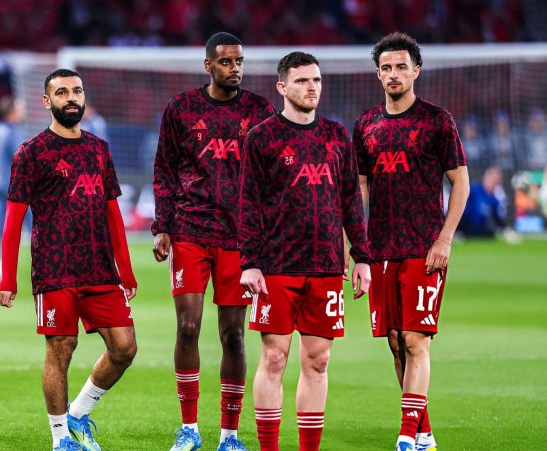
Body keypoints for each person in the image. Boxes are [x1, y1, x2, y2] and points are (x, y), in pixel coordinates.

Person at [0, 69, 138, 451]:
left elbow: (113, 215)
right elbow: (12, 222)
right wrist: (8, 279)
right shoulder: (31, 152)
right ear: (47, 101)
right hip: (55, 270)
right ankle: (61, 438)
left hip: (100, 269)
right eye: (61, 92)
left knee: (125, 348)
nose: (71, 97)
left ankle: (79, 411)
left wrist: (125, 271)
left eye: (77, 91)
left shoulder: (99, 149)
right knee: (61, 349)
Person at [239, 51, 372, 451]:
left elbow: (351, 200)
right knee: (274, 358)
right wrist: (249, 263)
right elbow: (247, 204)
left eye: (316, 80)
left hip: (326, 265)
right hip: (276, 266)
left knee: (318, 361)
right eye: (301, 80)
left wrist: (362, 256)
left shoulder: (336, 136)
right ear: (282, 87)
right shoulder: (261, 138)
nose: (311, 87)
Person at [152, 32, 275, 451]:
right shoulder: (182, 109)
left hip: (238, 238)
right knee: (187, 327)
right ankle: (189, 428)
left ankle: (229, 434)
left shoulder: (260, 111)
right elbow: (164, 168)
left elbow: (269, 176)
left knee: (233, 336)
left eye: (239, 61)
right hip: (190, 230)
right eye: (225, 62)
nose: (234, 68)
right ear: (208, 65)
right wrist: (163, 226)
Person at [353, 32, 469, 451]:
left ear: (416, 70)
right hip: (380, 249)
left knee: (416, 339)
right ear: (378, 74)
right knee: (395, 342)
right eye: (386, 68)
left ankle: (405, 435)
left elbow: (460, 182)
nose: (393, 74)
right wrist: (356, 246)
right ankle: (423, 432)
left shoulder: (438, 121)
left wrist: (445, 240)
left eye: (401, 66)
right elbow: (359, 189)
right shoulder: (365, 125)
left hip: (424, 248)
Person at [0, 95, 25, 280]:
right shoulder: (13, 130)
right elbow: (19, 156)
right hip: (11, 185)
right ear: (12, 112)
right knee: (20, 223)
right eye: (18, 108)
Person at [458, 166, 508, 238]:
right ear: (486, 178)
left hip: (480, 230)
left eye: (497, 181)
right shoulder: (474, 191)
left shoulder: (494, 199)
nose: (495, 184)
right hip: (465, 228)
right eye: (494, 180)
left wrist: (506, 229)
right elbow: (462, 211)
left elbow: (496, 218)